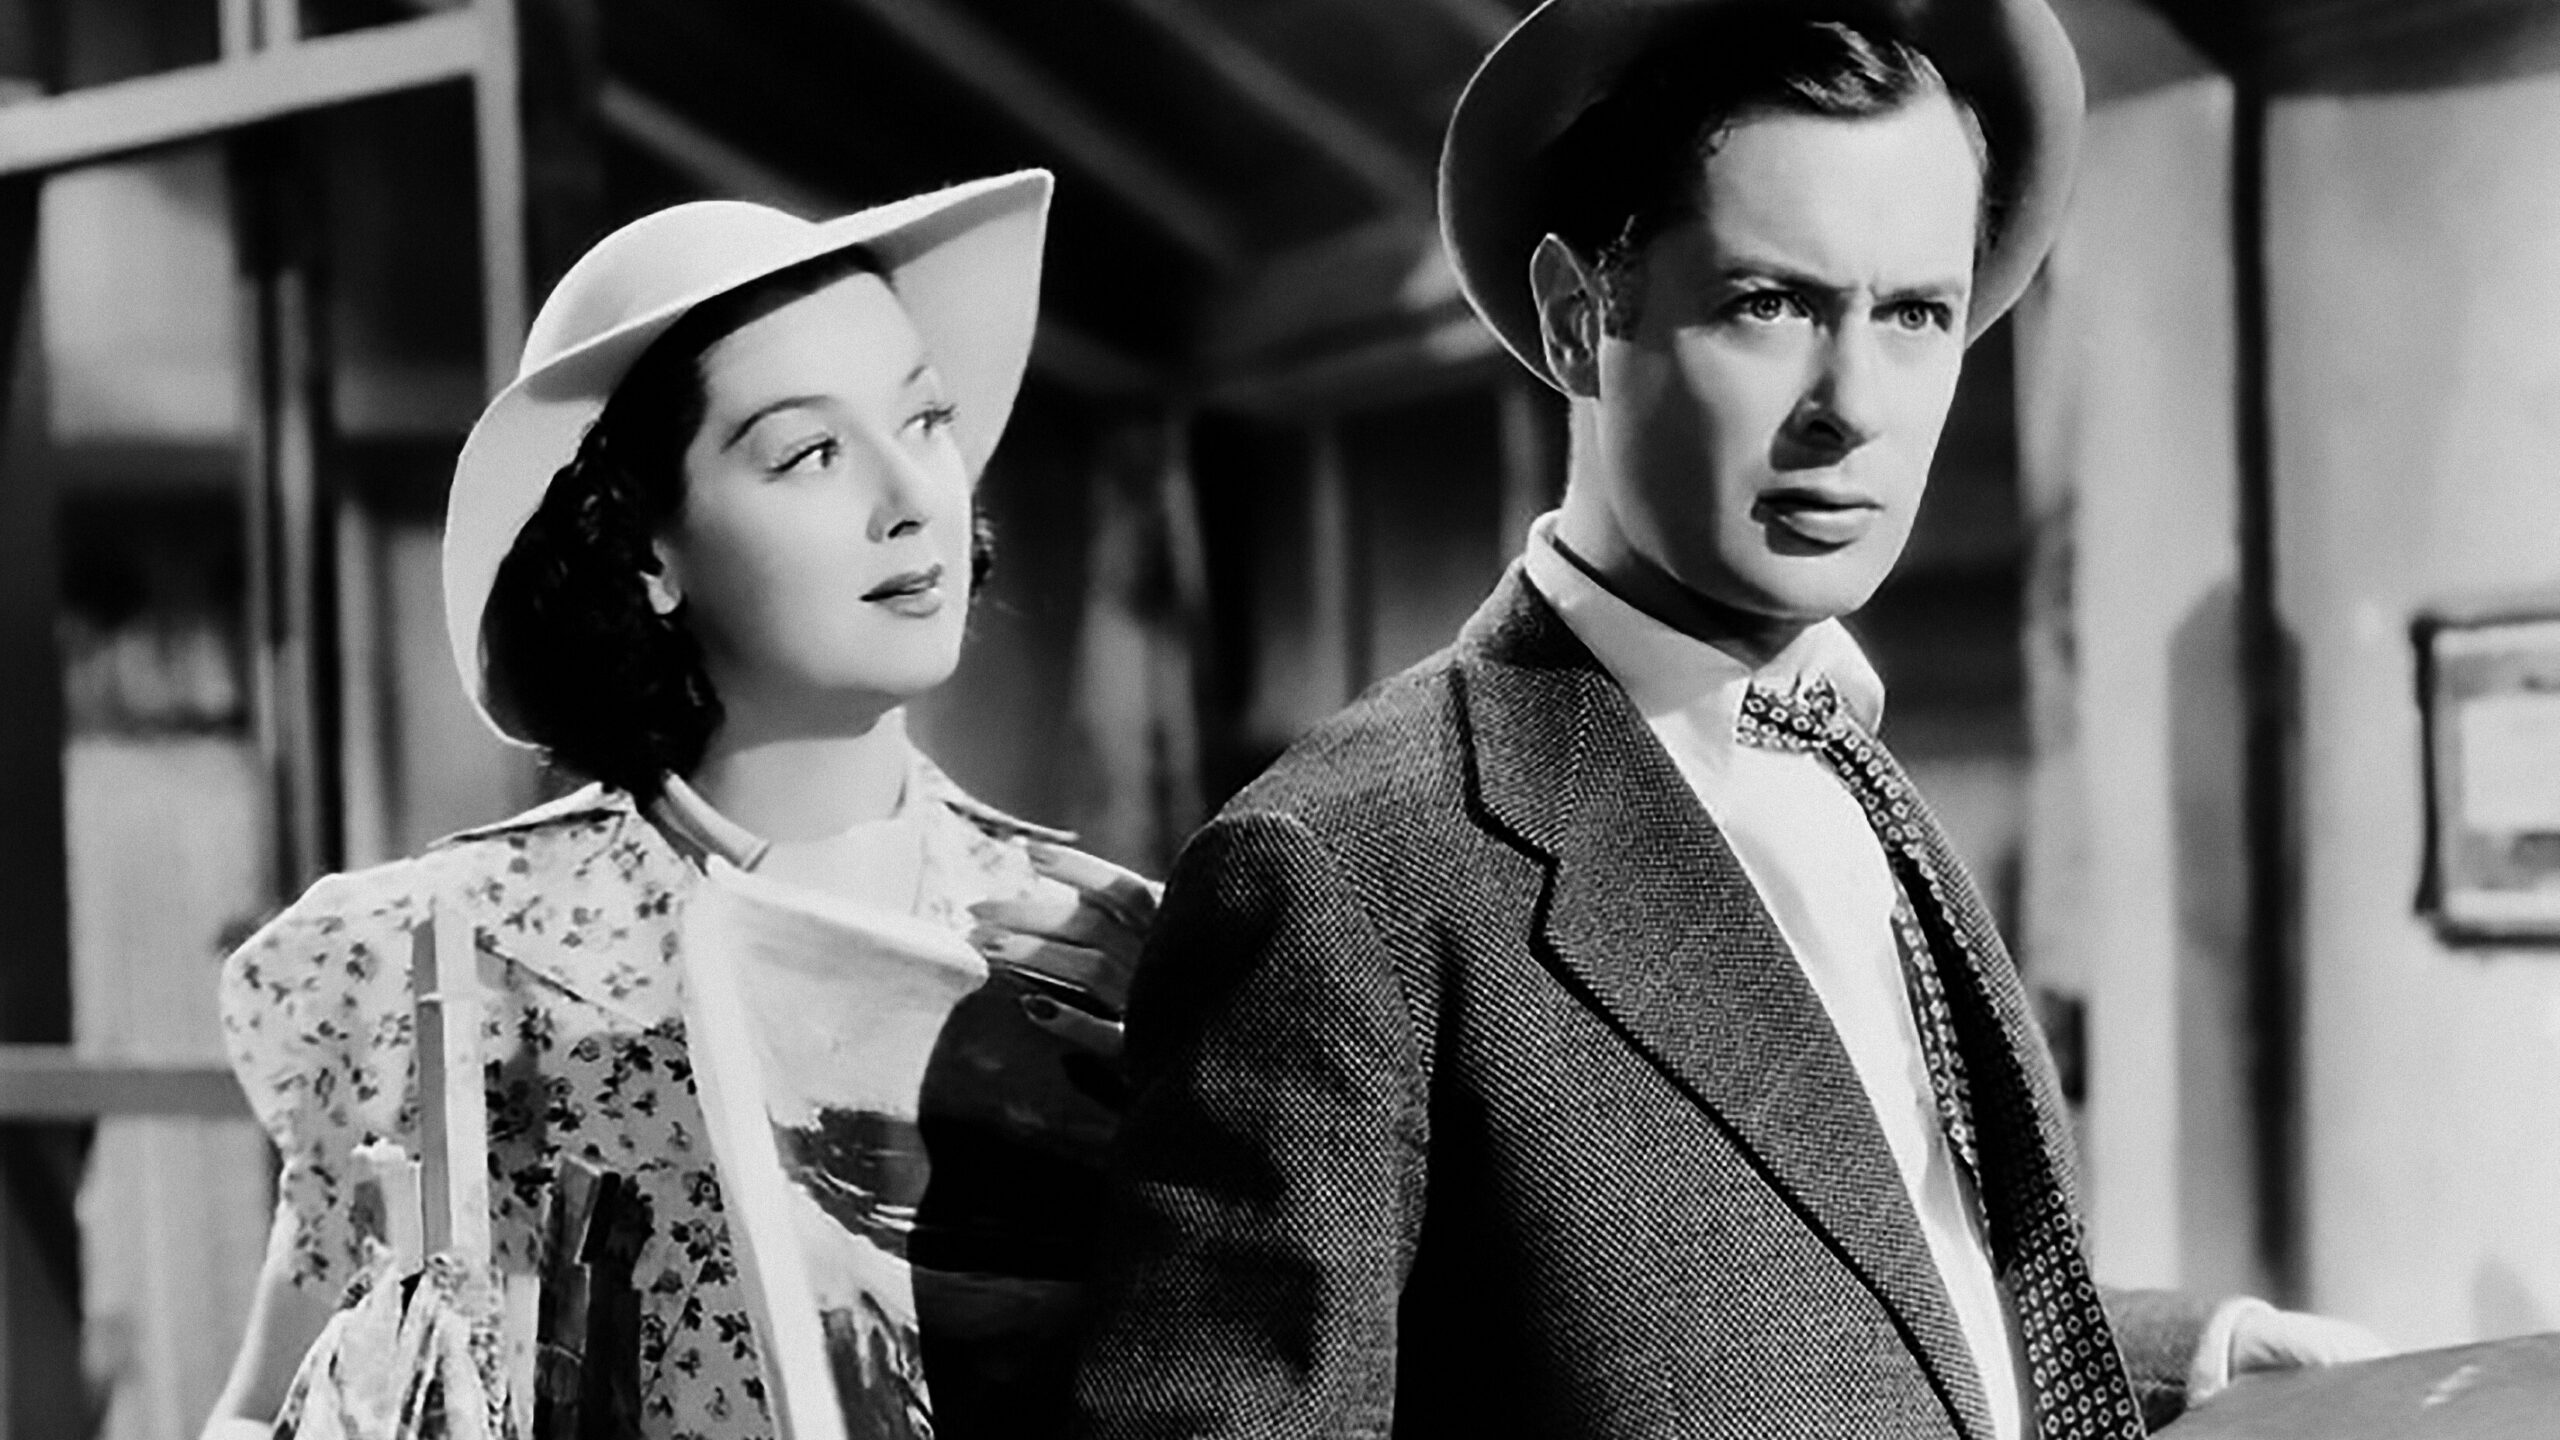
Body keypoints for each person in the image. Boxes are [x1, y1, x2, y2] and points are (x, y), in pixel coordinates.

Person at [1074, 4, 2379, 1438]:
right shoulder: (1345, 871)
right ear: (1580, 318)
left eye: (1915, 314)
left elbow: (1847, 1278)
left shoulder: (1840, 762)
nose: (1852, 406)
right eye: (1770, 304)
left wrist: (2200, 1352)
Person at [205, 171, 1149, 1440]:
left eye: (924, 419)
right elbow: (269, 1406)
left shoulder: (1098, 956)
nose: (909, 495)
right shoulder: (446, 954)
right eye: (809, 452)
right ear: (648, 549)